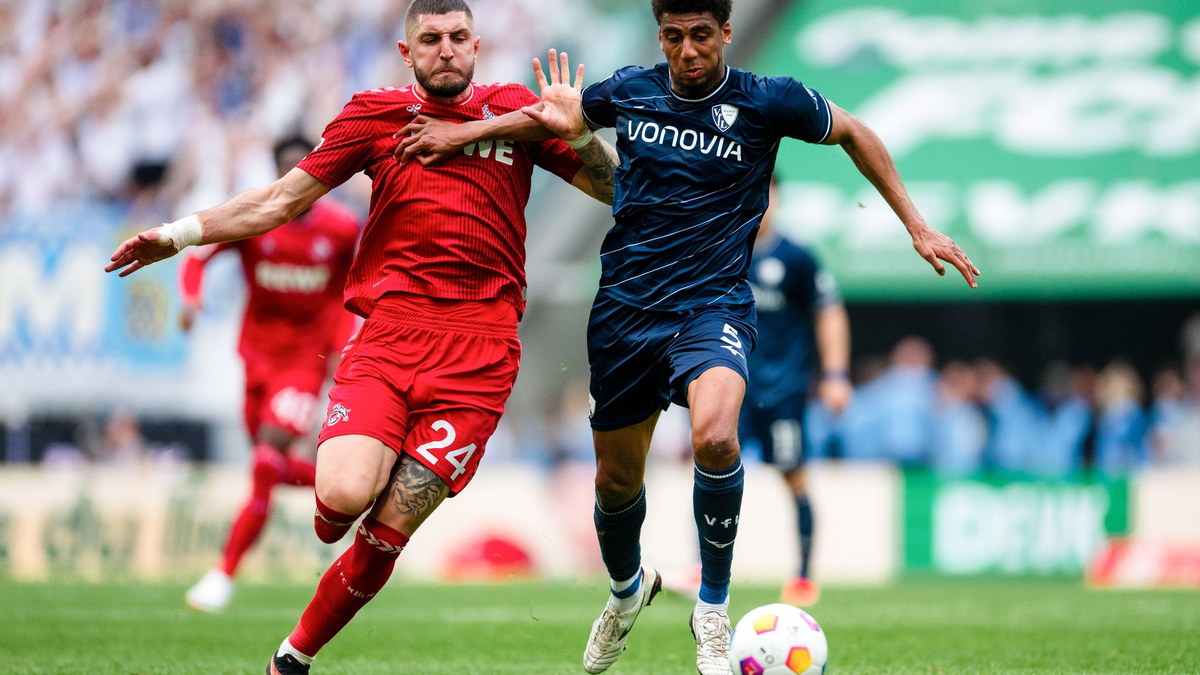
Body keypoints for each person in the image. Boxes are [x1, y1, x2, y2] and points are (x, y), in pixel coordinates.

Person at [395, 1, 978, 672]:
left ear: (725, 32)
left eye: (701, 35)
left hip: (713, 304)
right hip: (626, 312)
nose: (688, 50)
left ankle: (713, 607)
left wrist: (917, 225)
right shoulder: (631, 89)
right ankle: (626, 591)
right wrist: (464, 135)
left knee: (717, 435)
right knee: (616, 481)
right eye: (674, 37)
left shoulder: (767, 100)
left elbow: (855, 131)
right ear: (661, 36)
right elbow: (551, 119)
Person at [105, 1, 616, 672]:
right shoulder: (375, 115)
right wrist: (178, 235)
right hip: (389, 339)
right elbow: (279, 201)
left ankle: (291, 657)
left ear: (477, 44)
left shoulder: (516, 112)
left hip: (480, 354)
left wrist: (581, 137)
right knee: (341, 501)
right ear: (407, 53)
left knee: (384, 535)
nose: (445, 49)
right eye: (430, 39)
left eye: (458, 37)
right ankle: (338, 495)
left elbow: (618, 190)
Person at [181, 136, 361, 613]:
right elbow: (197, 255)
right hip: (256, 360)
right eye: (289, 170)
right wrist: (192, 298)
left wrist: (340, 347)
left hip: (304, 365)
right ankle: (354, 493)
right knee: (270, 468)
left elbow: (352, 289)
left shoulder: (341, 229)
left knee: (264, 461)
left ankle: (223, 575)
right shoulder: (256, 221)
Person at [739, 177, 851, 607]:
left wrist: (836, 374)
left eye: (767, 192)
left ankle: (803, 575)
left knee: (794, 475)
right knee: (710, 467)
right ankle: (702, 567)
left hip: (782, 390)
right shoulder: (721, 247)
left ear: (778, 198)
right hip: (729, 386)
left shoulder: (797, 257)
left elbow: (829, 311)